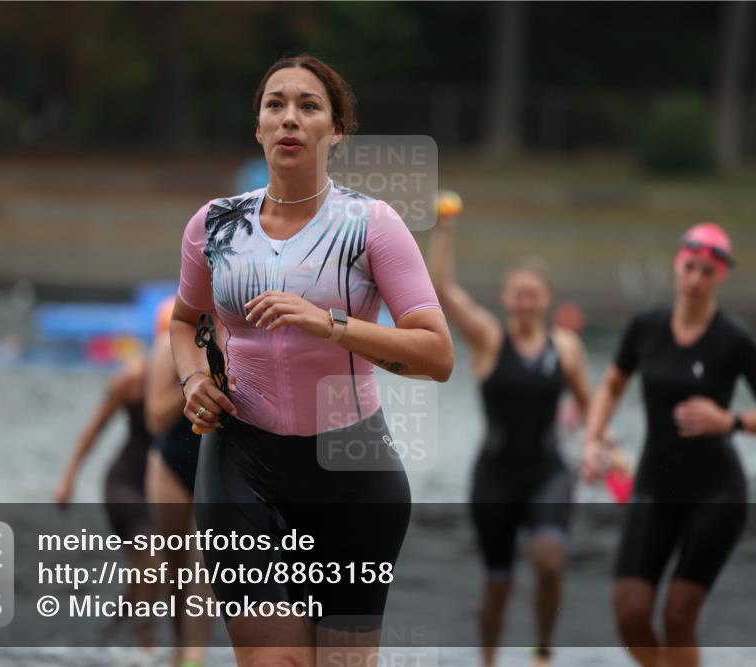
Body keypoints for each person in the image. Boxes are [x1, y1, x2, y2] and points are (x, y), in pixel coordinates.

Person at [166, 54, 454, 667]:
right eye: (276, 105)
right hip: (241, 463)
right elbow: (184, 320)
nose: (290, 118)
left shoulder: (372, 225)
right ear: (259, 128)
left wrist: (329, 323)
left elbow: (437, 353)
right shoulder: (214, 225)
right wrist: (192, 378)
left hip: (352, 471)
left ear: (335, 133)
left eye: (308, 106)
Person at [582, 223, 756, 667]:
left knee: (678, 617)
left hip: (716, 494)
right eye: (690, 268)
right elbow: (611, 386)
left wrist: (729, 420)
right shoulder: (646, 327)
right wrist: (593, 439)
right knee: (631, 614)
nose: (696, 279)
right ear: (677, 265)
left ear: (721, 278)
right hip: (655, 487)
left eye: (707, 272)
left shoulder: (732, 339)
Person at [427, 207, 595, 667]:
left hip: (547, 472)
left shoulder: (567, 347)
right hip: (495, 478)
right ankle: (488, 660)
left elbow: (589, 403)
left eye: (533, 295)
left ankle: (542, 650)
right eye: (518, 294)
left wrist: (606, 445)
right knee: (498, 582)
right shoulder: (488, 339)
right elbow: (443, 291)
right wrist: (445, 229)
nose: (525, 302)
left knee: (549, 558)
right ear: (505, 298)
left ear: (546, 299)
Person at [55, 358, 159, 649]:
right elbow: (93, 429)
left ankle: (115, 629)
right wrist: (68, 479)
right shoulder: (133, 381)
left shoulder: (193, 379)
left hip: (160, 490)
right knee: (153, 563)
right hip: (124, 485)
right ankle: (143, 645)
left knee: (151, 572)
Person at [144, 297, 213, 667]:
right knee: (173, 569)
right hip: (171, 461)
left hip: (216, 461)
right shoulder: (166, 347)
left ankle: (193, 657)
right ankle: (177, 649)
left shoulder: (241, 341)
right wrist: (196, 383)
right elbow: (155, 418)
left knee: (205, 565)